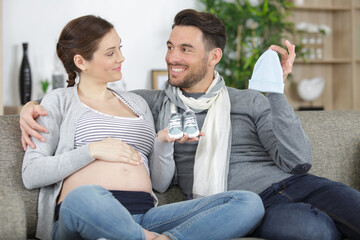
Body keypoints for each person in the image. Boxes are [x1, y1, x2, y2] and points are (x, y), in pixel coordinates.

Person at [20, 9, 360, 240]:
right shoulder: (153, 103)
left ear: (214, 57)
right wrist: (31, 106)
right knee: (315, 232)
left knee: (340, 210)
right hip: (95, 207)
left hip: (286, 187)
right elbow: (84, 96)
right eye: (170, 47)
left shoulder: (248, 99)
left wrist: (274, 92)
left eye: (185, 49)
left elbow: (297, 161)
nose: (172, 57)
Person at [21, 15, 265, 240]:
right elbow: (32, 173)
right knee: (84, 197)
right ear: (81, 61)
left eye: (120, 48)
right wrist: (93, 150)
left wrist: (162, 143)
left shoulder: (137, 103)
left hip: (145, 215)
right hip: (86, 214)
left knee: (248, 202)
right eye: (110, 52)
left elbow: (159, 184)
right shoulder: (58, 101)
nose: (121, 58)